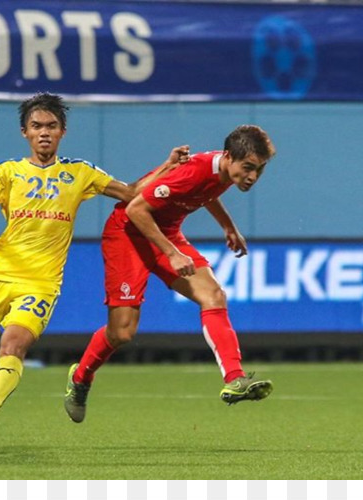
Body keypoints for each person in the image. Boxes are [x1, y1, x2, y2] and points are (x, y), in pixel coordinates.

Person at [0, 92, 189, 449]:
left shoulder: (80, 172)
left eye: (51, 126)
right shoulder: (6, 172)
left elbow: (132, 192)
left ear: (62, 132)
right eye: (37, 126)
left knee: (14, 346)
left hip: (41, 283)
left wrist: (167, 166)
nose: (44, 133)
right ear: (24, 132)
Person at [64, 125, 276, 423]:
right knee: (122, 331)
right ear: (229, 157)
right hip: (128, 234)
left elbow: (206, 193)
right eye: (249, 168)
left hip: (166, 233)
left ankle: (235, 378)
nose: (253, 177)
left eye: (260, 169)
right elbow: (136, 209)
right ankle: (81, 377)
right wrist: (173, 254)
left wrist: (227, 225)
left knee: (214, 295)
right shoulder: (194, 170)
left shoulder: (226, 170)